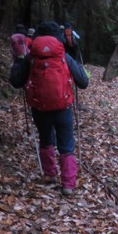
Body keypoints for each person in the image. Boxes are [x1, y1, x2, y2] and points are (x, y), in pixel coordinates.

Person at [26, 20, 89, 196]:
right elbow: (83, 82)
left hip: (39, 108)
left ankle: (50, 174)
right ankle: (68, 184)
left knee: (46, 139)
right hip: (63, 108)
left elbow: (15, 81)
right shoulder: (64, 57)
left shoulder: (31, 57)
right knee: (66, 145)